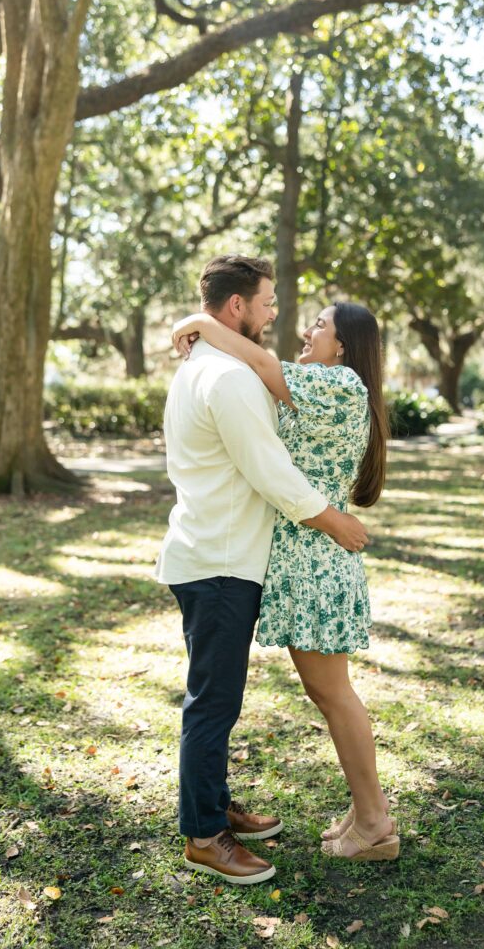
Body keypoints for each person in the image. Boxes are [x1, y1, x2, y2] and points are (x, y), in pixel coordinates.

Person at [155, 254, 370, 885]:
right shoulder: (226, 377)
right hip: (220, 561)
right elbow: (269, 471)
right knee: (213, 702)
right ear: (237, 307)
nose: (278, 314)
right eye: (268, 302)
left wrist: (198, 323)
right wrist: (332, 519)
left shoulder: (214, 364)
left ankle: (214, 805)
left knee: (218, 696)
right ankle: (203, 833)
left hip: (219, 554)